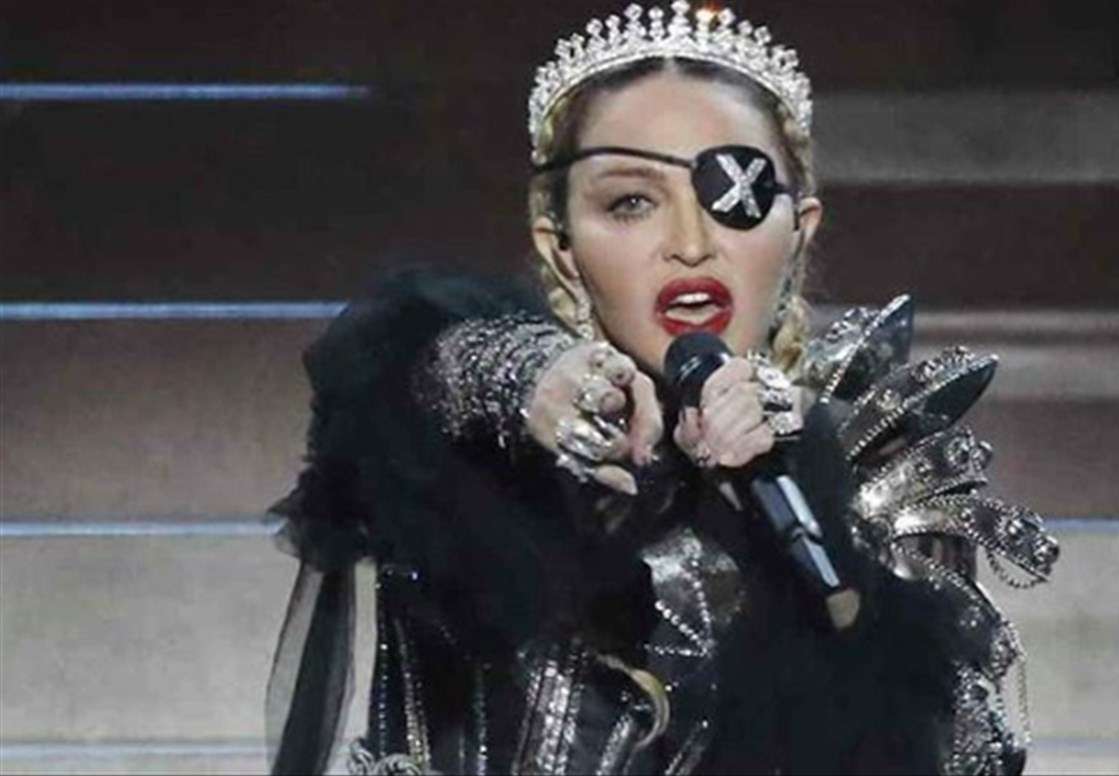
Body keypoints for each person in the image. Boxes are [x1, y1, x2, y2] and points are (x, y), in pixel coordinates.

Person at [264, 3, 1060, 774]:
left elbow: (945, 751)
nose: (690, 243)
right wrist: (528, 379)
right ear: (562, 246)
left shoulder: (878, 476)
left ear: (799, 229)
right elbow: (388, 372)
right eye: (632, 202)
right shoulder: (466, 426)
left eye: (734, 196)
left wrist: (796, 512)